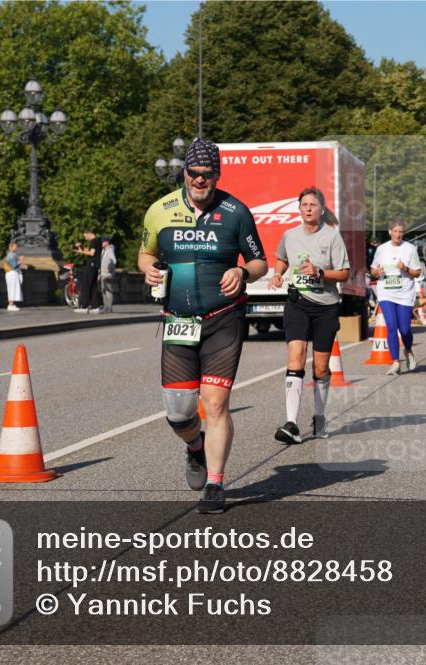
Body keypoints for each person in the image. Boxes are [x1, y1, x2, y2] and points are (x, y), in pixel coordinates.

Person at [139, 138, 267, 514]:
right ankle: (195, 447)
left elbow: (260, 262)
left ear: (217, 175)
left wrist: (242, 272)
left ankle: (215, 483)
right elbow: (145, 253)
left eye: (207, 175)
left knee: (216, 404)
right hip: (178, 321)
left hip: (223, 318)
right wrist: (148, 269)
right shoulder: (159, 210)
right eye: (193, 173)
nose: (199, 180)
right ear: (184, 173)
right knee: (179, 413)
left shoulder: (236, 212)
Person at [269, 187, 351, 443]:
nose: (307, 208)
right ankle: (291, 423)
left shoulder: (332, 237)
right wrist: (278, 273)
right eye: (304, 204)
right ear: (299, 208)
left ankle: (319, 417)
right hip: (297, 303)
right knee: (295, 357)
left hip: (325, 307)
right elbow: (281, 258)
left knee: (321, 366)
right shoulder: (290, 235)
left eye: (312, 205)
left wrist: (320, 273)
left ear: (321, 210)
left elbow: (344, 273)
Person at [369, 220, 421, 375]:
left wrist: (405, 268)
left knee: (404, 329)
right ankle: (395, 362)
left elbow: (417, 272)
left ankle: (409, 351)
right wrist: (377, 272)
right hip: (386, 293)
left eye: (401, 232)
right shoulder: (382, 249)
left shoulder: (410, 249)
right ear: (390, 232)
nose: (399, 234)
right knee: (391, 326)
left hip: (405, 293)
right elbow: (372, 269)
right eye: (396, 231)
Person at [74, 230, 103, 313]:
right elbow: (91, 251)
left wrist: (81, 252)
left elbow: (91, 253)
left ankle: (84, 306)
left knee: (86, 285)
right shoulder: (98, 240)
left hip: (91, 265)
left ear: (89, 233)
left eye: (85, 236)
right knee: (93, 286)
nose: (85, 238)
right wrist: (82, 247)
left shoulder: (93, 241)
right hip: (95, 265)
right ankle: (95, 306)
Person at [4, 241, 24, 311]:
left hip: (10, 273)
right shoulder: (11, 255)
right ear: (11, 247)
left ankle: (11, 304)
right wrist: (20, 261)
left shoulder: (11, 254)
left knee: (11, 289)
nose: (17, 248)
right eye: (15, 246)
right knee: (13, 288)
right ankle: (11, 305)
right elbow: (14, 265)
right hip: (12, 273)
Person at [98, 237, 117, 313]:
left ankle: (109, 307)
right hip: (103, 274)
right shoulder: (103, 251)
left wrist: (109, 267)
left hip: (108, 275)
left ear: (106, 242)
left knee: (108, 291)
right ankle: (106, 307)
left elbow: (114, 260)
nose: (102, 243)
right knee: (103, 291)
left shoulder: (109, 250)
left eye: (103, 242)